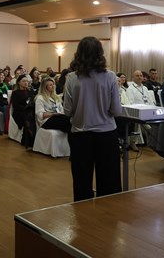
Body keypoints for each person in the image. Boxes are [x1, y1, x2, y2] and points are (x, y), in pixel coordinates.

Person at [63, 36, 122, 202]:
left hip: (80, 134)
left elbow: (67, 111)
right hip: (106, 133)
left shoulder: (72, 78)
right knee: (109, 180)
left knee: (82, 180)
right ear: (100, 53)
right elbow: (116, 110)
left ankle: (84, 217)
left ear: (79, 54)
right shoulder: (110, 77)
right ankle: (109, 215)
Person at [10, 75, 36, 148]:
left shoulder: (30, 91)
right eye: (24, 81)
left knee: (32, 117)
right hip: (19, 112)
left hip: (29, 111)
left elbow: (33, 102)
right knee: (27, 118)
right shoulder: (16, 93)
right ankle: (26, 139)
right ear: (19, 82)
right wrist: (26, 108)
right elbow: (15, 106)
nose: (26, 83)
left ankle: (31, 138)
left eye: (27, 81)